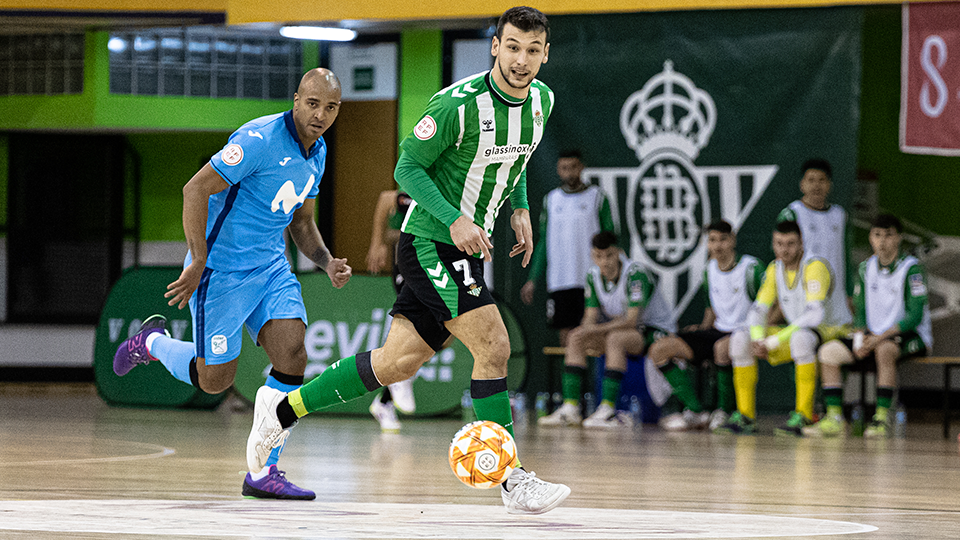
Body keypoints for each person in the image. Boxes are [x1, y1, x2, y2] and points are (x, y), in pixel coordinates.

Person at [245, 7, 571, 515]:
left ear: (545, 54)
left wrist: (522, 207)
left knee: (397, 363)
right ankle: (511, 480)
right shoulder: (457, 106)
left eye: (532, 50)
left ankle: (284, 410)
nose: (521, 60)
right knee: (494, 343)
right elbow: (406, 167)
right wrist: (454, 220)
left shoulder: (542, 102)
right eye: (512, 47)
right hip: (430, 242)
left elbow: (517, 158)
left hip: (467, 249)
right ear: (494, 47)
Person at [112, 68, 351, 500]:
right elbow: (194, 189)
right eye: (313, 103)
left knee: (293, 352)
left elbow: (300, 220)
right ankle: (151, 343)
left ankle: (264, 471)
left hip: (271, 268)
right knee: (215, 381)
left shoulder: (318, 153)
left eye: (330, 107)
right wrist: (198, 260)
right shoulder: (258, 140)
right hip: (220, 271)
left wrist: (326, 259)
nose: (320, 114)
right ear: (296, 99)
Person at [803, 214, 932, 438]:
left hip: (910, 335)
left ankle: (882, 418)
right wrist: (860, 339)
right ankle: (834, 418)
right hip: (873, 336)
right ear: (871, 238)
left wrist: (879, 338)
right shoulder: (865, 268)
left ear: (899, 238)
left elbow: (914, 316)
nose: (882, 241)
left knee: (885, 351)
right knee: (828, 353)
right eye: (877, 235)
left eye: (889, 235)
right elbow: (860, 311)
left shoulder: (912, 269)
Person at [718, 220, 848, 436]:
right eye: (779, 243)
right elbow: (758, 310)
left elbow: (815, 315)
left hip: (831, 332)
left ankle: (804, 415)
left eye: (790, 244)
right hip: (796, 331)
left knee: (801, 339)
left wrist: (773, 342)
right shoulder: (774, 268)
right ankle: (746, 416)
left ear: (801, 244)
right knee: (741, 339)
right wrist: (759, 338)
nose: (784, 250)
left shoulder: (815, 267)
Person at [538, 231, 676, 429]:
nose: (604, 262)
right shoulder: (593, 276)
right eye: (598, 256)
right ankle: (570, 408)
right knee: (576, 337)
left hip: (653, 331)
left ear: (619, 253)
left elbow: (631, 320)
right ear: (593, 256)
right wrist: (584, 331)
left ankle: (608, 409)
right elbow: (590, 317)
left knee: (615, 339)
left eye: (609, 255)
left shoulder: (635, 273)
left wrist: (596, 330)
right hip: (623, 330)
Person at [647, 220, 763, 432]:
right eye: (712, 240)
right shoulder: (709, 270)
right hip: (716, 330)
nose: (717, 246)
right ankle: (696, 410)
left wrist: (758, 333)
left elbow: (766, 305)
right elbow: (711, 309)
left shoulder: (751, 268)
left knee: (721, 349)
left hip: (743, 332)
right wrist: (701, 329)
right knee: (659, 349)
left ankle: (723, 410)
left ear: (733, 240)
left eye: (723, 240)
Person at [520, 150, 615, 345]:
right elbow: (544, 240)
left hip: (592, 278)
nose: (570, 173)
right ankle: (570, 375)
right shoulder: (551, 200)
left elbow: (611, 240)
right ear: (558, 170)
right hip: (560, 279)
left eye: (573, 167)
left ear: (581, 167)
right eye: (564, 168)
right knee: (566, 337)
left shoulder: (597, 197)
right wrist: (532, 279)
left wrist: (610, 274)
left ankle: (596, 376)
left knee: (594, 333)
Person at [777, 159, 853, 326]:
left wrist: (849, 294)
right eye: (811, 180)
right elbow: (781, 256)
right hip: (805, 293)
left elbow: (845, 256)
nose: (816, 185)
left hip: (836, 295)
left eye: (822, 180)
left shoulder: (840, 215)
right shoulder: (792, 213)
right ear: (802, 184)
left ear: (829, 184)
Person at [365, 189, 417, 432]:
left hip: (436, 266)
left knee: (444, 336)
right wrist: (377, 244)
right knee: (416, 323)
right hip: (409, 267)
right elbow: (386, 198)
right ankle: (399, 378)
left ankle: (385, 400)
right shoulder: (418, 186)